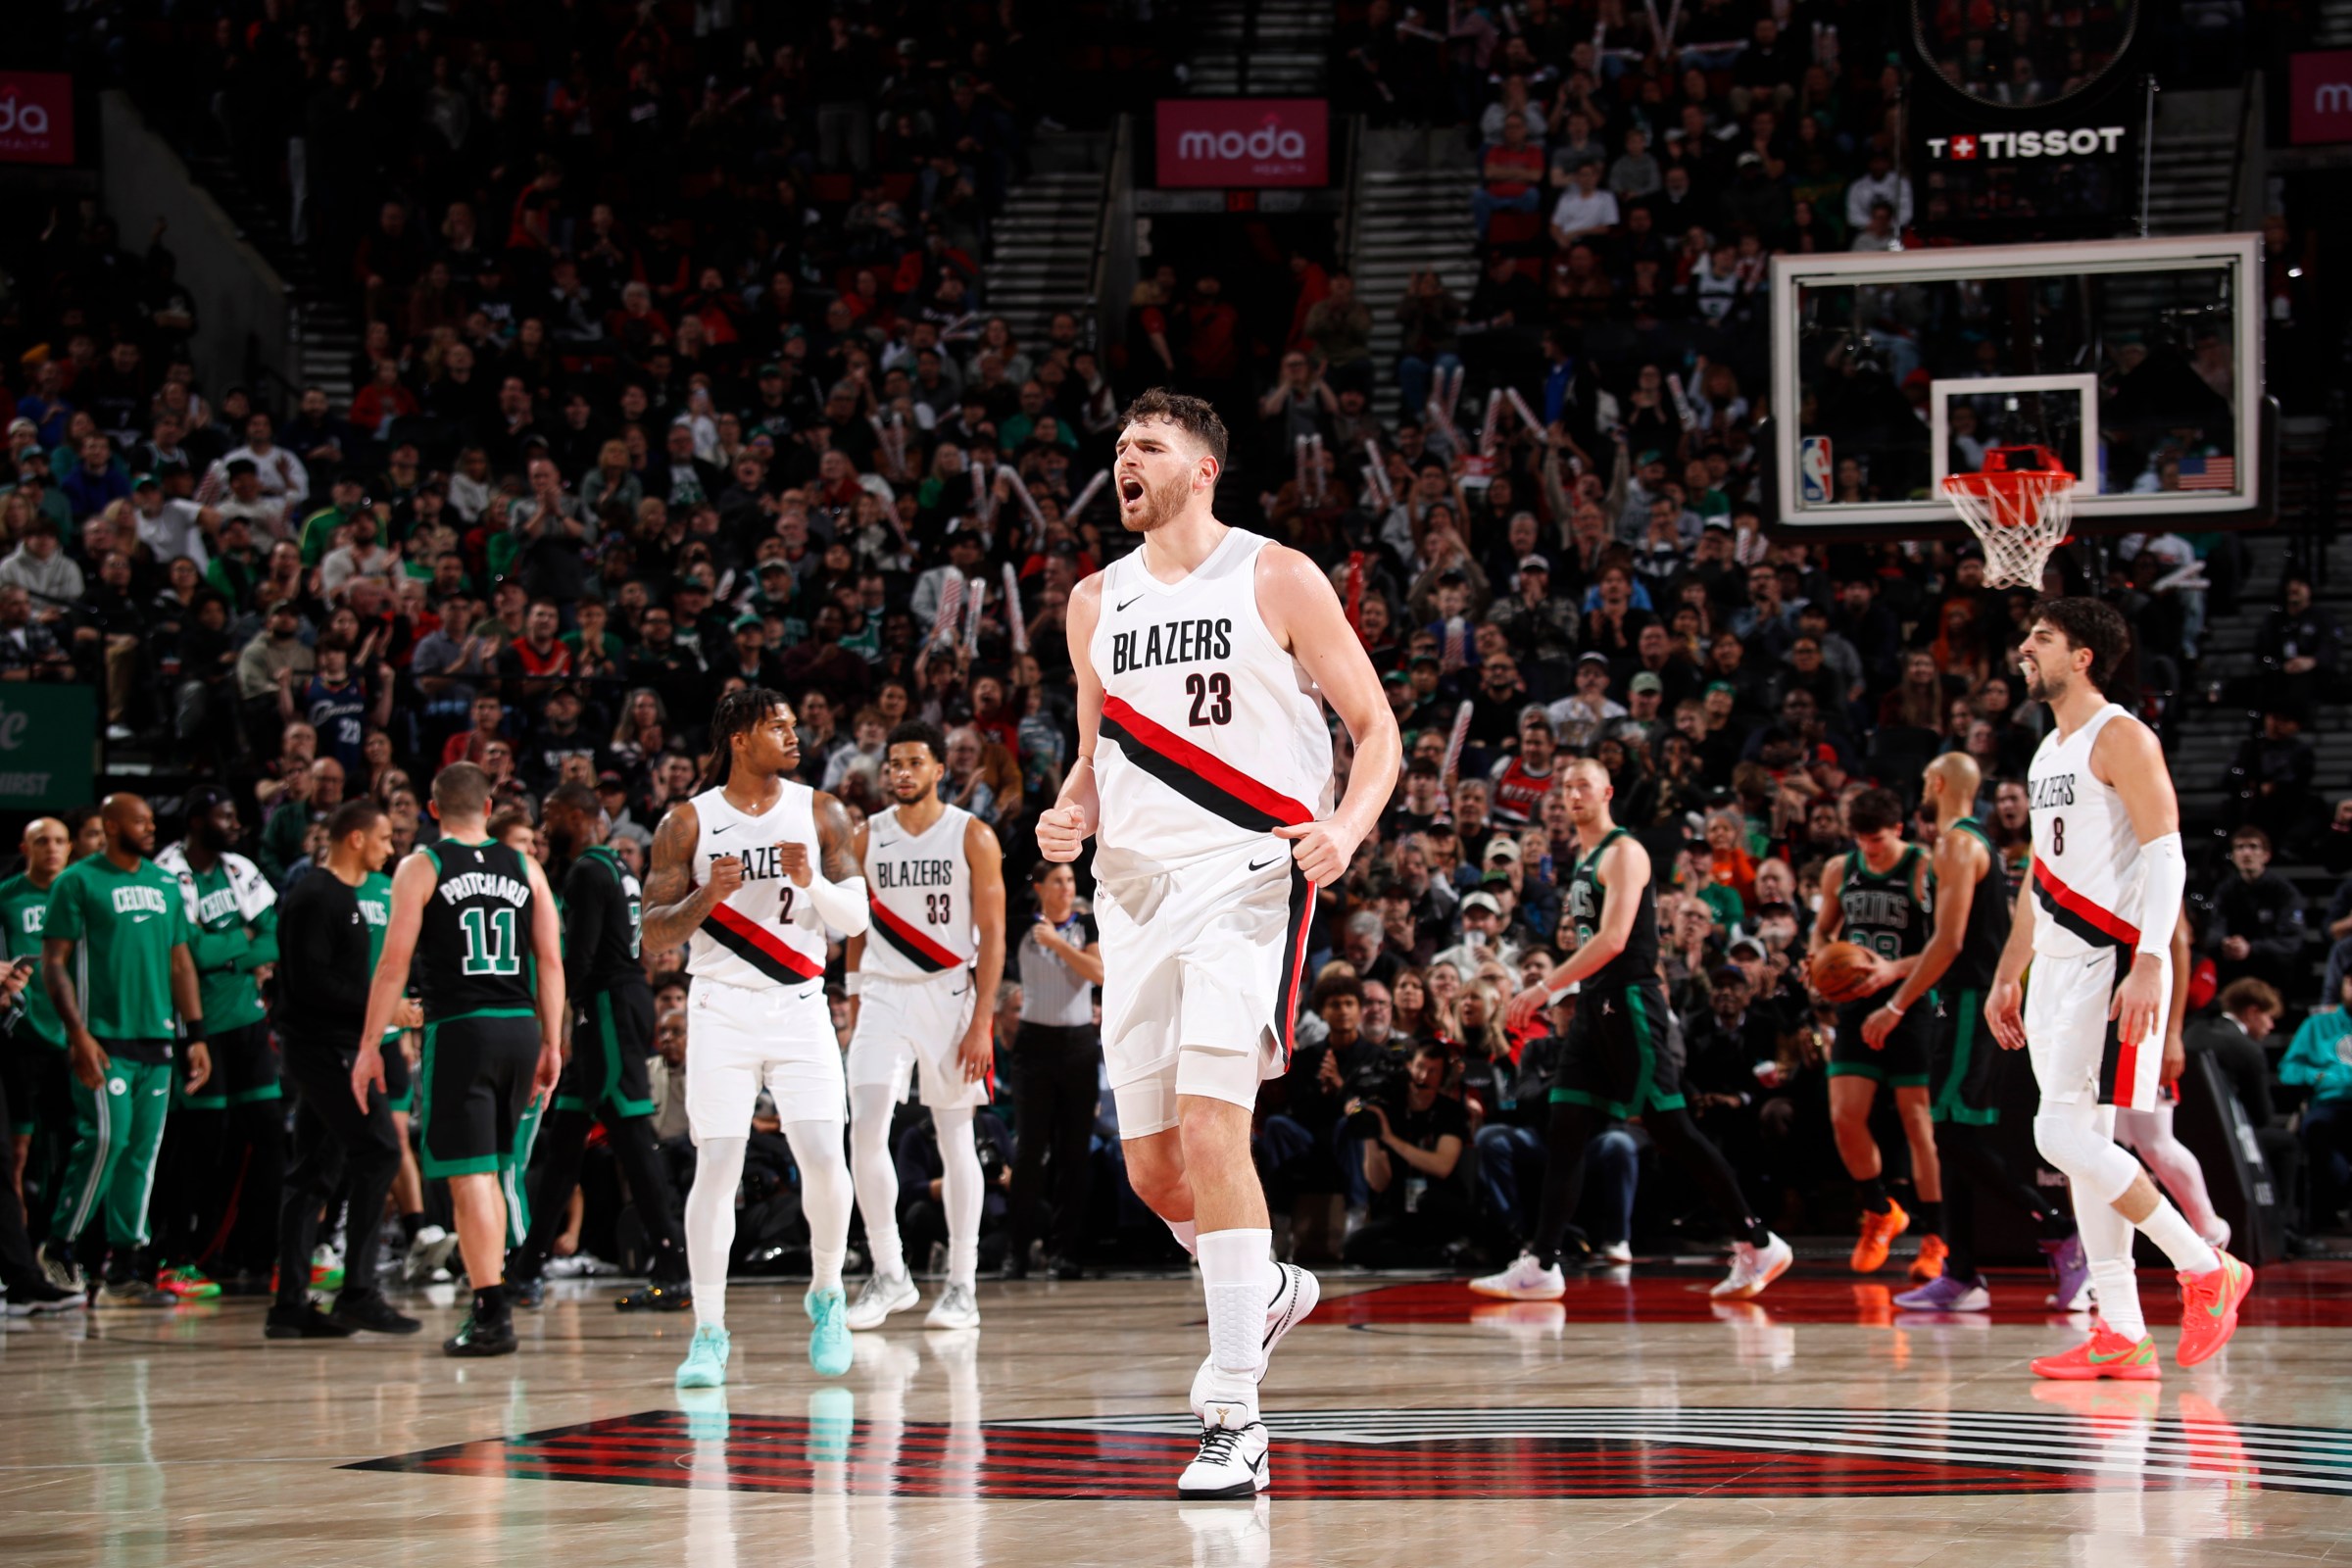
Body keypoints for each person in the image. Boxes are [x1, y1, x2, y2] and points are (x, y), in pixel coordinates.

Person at [1035, 389, 1401, 1499]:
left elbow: (1376, 729)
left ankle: (1236, 1410)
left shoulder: (1275, 573)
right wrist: (1070, 811)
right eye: (1119, 445)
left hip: (1251, 875)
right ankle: (1267, 1286)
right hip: (1134, 895)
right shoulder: (1093, 602)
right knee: (1154, 1170)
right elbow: (1099, 758)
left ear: (1203, 468)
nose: (1125, 458)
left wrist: (1344, 825)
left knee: (1210, 1123)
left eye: (1148, 445)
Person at [1988, 598, 2251, 1380]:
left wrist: (2150, 964)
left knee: (2061, 1138)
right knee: (2083, 1149)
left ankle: (2207, 1267)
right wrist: (2011, 970)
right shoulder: (2046, 752)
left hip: (2111, 962)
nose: (2025, 649)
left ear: (2084, 658)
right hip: (2056, 969)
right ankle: (2122, 1330)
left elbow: (2167, 857)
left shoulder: (2123, 735)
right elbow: (2041, 879)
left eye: (2042, 638)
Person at [1476, 758, 1791, 1302]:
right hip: (1595, 1005)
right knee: (1566, 1127)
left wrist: (1543, 988)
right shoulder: (1583, 856)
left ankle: (1758, 1240)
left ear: (1608, 793)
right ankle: (1541, 1263)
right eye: (1566, 786)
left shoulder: (1625, 852)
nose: (1573, 794)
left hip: (1630, 1002)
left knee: (1672, 1130)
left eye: (1584, 786)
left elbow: (1615, 938)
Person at [643, 687, 868, 1389]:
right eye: (779, 727)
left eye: (794, 727)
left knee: (827, 1161)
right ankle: (709, 1332)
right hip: (721, 1007)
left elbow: (855, 919)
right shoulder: (686, 822)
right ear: (740, 737)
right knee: (717, 1168)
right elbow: (654, 934)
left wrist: (813, 887)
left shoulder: (821, 810)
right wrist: (706, 898)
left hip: (801, 1005)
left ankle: (827, 1292)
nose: (794, 737)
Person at [353, 761, 564, 1357]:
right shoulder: (526, 865)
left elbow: (393, 964)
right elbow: (550, 962)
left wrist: (370, 1044)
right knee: (494, 1169)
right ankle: (493, 1297)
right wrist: (552, 1043)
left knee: (470, 1174)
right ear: (492, 805)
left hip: (462, 1028)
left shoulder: (422, 865)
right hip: (520, 1026)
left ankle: (492, 1311)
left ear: (433, 808)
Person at [1867, 754, 2085, 1313]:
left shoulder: (1956, 845)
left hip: (1968, 1003)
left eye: (1923, 781)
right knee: (1951, 1138)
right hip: (1961, 1004)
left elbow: (1949, 942)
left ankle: (2058, 1230)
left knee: (1954, 1137)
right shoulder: (1970, 844)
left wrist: (1895, 1004)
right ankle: (1962, 1275)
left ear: (1937, 784)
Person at [503, 782, 694, 1311]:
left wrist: (557, 1021)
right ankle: (526, 1268)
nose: (544, 825)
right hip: (616, 1003)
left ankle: (676, 1268)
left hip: (606, 1006)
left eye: (550, 813)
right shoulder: (614, 866)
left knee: (632, 1136)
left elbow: (579, 960)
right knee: (565, 1143)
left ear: (579, 814)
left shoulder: (588, 869)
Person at [843, 720, 1007, 1333]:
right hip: (884, 994)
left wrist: (983, 1019)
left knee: (954, 1134)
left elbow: (993, 934)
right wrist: (856, 998)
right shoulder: (866, 836)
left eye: (914, 762)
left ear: (941, 769)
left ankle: (962, 1284)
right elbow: (856, 929)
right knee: (865, 1128)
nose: (902, 773)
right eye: (894, 764)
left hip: (951, 993)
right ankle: (890, 1272)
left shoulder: (973, 835)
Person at [37, 794, 211, 1304]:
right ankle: (60, 1246)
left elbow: (181, 964)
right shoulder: (78, 881)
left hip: (156, 1037)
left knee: (141, 1154)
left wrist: (195, 1035)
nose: (151, 828)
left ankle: (125, 1264)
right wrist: (77, 1033)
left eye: (153, 821)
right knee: (106, 1140)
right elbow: (53, 964)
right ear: (111, 826)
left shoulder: (164, 885)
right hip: (102, 1037)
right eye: (139, 821)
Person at [269, 800, 421, 1339]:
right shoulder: (316, 894)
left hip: (336, 1046)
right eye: (382, 839)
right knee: (379, 1149)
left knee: (312, 1173)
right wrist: (384, 1010)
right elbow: (311, 985)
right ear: (355, 838)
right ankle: (358, 1291)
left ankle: (289, 1306)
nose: (390, 848)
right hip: (320, 1048)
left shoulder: (341, 896)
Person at [152, 788, 282, 1299]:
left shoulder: (239, 868)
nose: (235, 824)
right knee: (201, 1145)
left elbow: (273, 936)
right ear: (197, 819)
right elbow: (187, 952)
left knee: (269, 1138)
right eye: (225, 815)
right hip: (197, 1025)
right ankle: (178, 1254)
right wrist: (241, 947)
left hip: (248, 1024)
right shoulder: (166, 871)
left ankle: (259, 1253)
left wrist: (225, 951)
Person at [1809, 786, 1943, 1279]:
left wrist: (1894, 971)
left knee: (1917, 1124)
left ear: (1899, 830)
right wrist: (1819, 959)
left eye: (1879, 840)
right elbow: (1824, 930)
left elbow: (1943, 946)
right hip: (1856, 1002)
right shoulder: (1839, 870)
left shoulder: (1924, 866)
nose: (1870, 848)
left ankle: (1935, 1238)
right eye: (1862, 839)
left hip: (1911, 1000)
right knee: (1844, 1116)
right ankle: (1881, 1212)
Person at [1004, 860, 1102, 1280]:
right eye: (1057, 881)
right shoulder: (1022, 927)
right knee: (1029, 1153)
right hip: (1033, 1046)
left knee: (1073, 1154)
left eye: (1070, 880)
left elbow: (1099, 973)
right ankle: (1018, 1251)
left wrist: (1059, 944)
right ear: (1040, 886)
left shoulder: (1088, 926)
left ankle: (1065, 1251)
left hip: (1078, 1045)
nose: (1066, 887)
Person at [2113, 911, 2232, 1252]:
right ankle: (2098, 1259)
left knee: (2154, 1144)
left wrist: (2172, 1033)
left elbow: (2177, 945)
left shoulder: (2155, 862)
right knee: (2105, 1145)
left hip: (2142, 1023)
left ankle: (2208, 1229)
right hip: (2104, 1012)